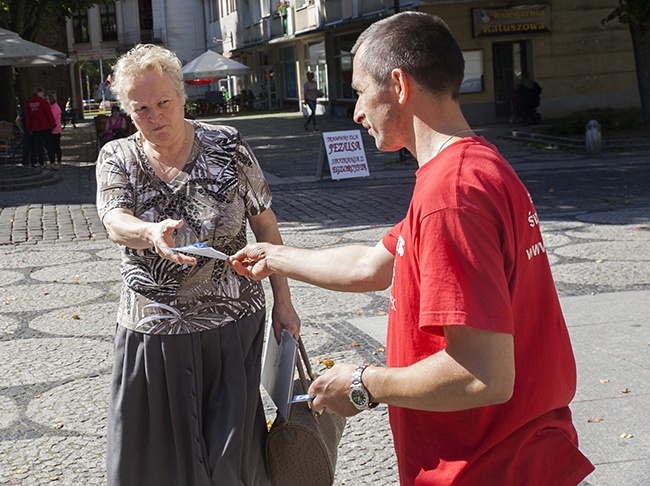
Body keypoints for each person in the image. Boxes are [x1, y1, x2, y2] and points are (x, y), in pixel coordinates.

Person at [230, 12, 594, 486]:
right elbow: (369, 265)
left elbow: (484, 374)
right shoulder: (473, 167)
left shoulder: (452, 194)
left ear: (399, 86)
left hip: (487, 466)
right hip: (519, 455)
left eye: (360, 90)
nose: (356, 111)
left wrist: (363, 385)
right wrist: (274, 256)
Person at [95, 44, 300, 486]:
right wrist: (149, 233)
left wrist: (284, 301)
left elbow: (265, 223)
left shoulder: (228, 144)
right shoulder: (117, 156)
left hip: (231, 323)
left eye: (163, 102)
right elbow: (114, 219)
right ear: (127, 111)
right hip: (153, 331)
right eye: (141, 109)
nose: (154, 117)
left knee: (232, 458)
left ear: (183, 94)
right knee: (156, 459)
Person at [24, 87, 56, 169]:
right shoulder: (43, 102)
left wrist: (29, 128)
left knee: (39, 147)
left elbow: (28, 117)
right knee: (49, 145)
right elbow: (48, 114)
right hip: (46, 126)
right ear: (38, 93)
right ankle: (52, 162)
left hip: (36, 128)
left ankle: (41, 163)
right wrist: (53, 124)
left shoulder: (29, 104)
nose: (43, 95)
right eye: (42, 94)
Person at [48, 94, 62, 170]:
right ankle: (52, 162)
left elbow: (53, 119)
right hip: (52, 130)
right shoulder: (51, 108)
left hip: (55, 130)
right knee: (52, 147)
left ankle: (59, 162)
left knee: (56, 146)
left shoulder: (55, 108)